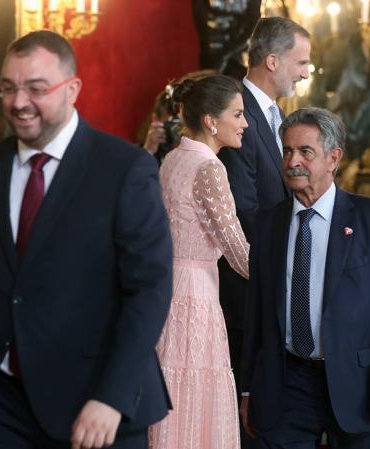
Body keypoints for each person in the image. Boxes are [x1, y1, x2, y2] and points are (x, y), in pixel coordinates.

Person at [0, 30, 173, 449]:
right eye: (8, 88)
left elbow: (149, 289)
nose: (18, 103)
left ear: (72, 90)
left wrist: (111, 396)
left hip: (93, 403)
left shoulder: (124, 168)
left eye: (36, 89)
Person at [241, 107, 370, 449]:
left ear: (333, 158)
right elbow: (255, 311)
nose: (292, 161)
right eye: (287, 151)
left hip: (358, 386)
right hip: (286, 384)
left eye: (306, 152)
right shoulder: (268, 224)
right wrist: (247, 388)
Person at [149, 75, 249, 449]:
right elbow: (240, 253)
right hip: (195, 299)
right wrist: (290, 276)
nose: (244, 124)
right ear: (211, 120)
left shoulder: (173, 159)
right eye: (237, 114)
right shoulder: (210, 168)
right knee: (192, 393)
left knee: (171, 392)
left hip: (166, 292)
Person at [217, 15, 311, 406]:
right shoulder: (236, 114)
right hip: (244, 283)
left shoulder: (278, 117)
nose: (306, 74)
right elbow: (243, 209)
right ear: (273, 61)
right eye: (302, 62)